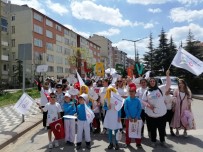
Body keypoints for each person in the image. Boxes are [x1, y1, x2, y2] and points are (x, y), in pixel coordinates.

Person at [142, 70, 171, 147]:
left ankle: (162, 141)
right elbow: (143, 101)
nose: (152, 82)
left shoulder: (160, 89)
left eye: (153, 81)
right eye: (150, 81)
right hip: (151, 115)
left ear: (155, 82)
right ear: (149, 82)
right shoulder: (147, 91)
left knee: (162, 129)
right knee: (153, 129)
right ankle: (153, 141)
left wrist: (167, 76)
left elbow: (168, 85)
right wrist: (148, 105)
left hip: (162, 114)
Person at [124, 83, 142, 148]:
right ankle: (128, 142)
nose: (131, 93)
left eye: (132, 91)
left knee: (137, 130)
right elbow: (125, 109)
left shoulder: (138, 100)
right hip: (128, 118)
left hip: (137, 118)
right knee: (128, 131)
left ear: (135, 92)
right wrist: (129, 117)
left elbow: (139, 109)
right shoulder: (127, 100)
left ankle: (138, 143)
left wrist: (137, 117)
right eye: (130, 91)